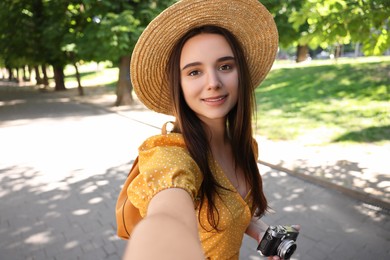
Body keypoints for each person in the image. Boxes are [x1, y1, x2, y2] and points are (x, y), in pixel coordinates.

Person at [122, 0, 298, 259]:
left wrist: (260, 231)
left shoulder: (245, 146)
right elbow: (167, 216)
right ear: (178, 85)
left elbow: (224, 207)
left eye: (225, 66)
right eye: (194, 72)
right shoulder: (171, 155)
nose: (213, 83)